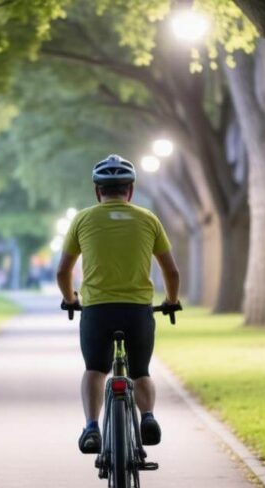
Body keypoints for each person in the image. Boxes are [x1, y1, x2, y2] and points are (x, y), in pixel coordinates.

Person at [56, 154, 181, 454]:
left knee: (95, 370)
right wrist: (171, 301)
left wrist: (70, 299)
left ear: (98, 191)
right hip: (137, 311)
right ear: (131, 190)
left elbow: (62, 272)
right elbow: (171, 272)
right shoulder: (148, 219)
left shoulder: (83, 219)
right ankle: (147, 416)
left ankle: (91, 428)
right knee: (141, 372)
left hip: (98, 311)